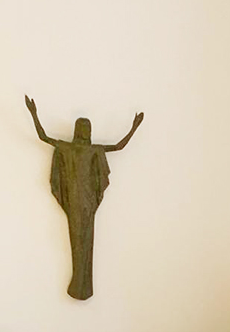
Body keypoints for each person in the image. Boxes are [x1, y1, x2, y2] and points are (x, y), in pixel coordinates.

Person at [24, 95, 144, 300]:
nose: (85, 132)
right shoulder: (70, 148)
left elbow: (117, 147)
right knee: (79, 242)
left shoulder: (89, 149)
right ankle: (80, 286)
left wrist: (134, 127)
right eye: (83, 128)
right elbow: (43, 137)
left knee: (85, 242)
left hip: (87, 204)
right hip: (77, 202)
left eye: (87, 128)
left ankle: (82, 286)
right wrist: (33, 113)